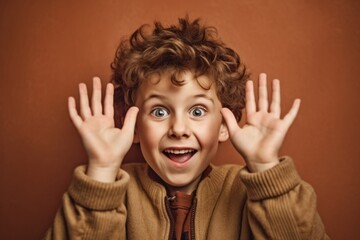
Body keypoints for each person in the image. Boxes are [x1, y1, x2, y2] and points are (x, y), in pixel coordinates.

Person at [45, 17, 329, 239]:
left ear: (224, 125)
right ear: (132, 127)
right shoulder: (116, 189)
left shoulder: (244, 189)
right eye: (159, 111)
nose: (178, 128)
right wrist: (102, 173)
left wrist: (266, 168)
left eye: (197, 111)